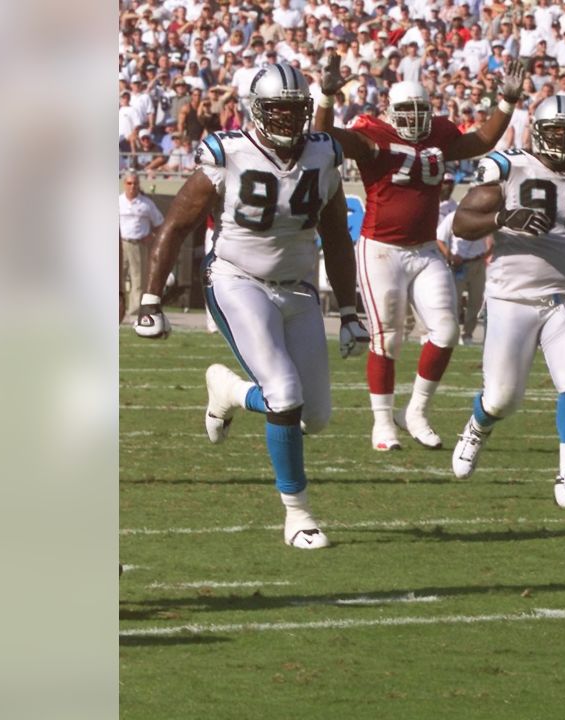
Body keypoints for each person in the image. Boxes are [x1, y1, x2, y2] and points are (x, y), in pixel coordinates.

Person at [132, 63, 369, 550]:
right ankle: (298, 515)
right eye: (276, 109)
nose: (286, 119)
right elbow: (176, 224)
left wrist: (349, 311)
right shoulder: (229, 154)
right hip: (238, 279)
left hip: (299, 288)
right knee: (284, 392)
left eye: (295, 110)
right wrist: (150, 298)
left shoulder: (323, 155)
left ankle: (231, 391)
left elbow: (335, 238)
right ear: (256, 111)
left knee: (314, 417)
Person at [312, 54, 526, 452]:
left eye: (420, 110)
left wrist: (506, 104)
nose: (413, 118)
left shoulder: (438, 136)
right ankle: (382, 423)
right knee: (387, 339)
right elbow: (323, 138)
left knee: (445, 331)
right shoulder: (373, 135)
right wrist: (325, 97)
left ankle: (417, 411)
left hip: (426, 249)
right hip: (381, 250)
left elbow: (481, 140)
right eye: (406, 111)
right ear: (390, 113)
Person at [449, 95, 565, 510]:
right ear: (538, 133)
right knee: (502, 398)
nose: (562, 143)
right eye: (555, 133)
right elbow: (461, 223)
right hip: (513, 298)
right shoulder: (509, 166)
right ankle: (478, 424)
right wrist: (503, 218)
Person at [436, 183, 491, 346]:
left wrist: (485, 255)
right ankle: (454, 332)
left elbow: (492, 238)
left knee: (476, 301)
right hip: (459, 264)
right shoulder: (454, 216)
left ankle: (468, 334)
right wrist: (449, 255)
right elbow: (440, 238)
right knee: (455, 302)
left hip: (477, 263)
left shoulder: (484, 217)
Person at [118, 171, 164, 317]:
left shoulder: (146, 204)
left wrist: (151, 236)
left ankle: (134, 311)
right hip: (119, 244)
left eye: (135, 183)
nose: (132, 186)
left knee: (138, 279)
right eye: (129, 183)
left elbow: (160, 223)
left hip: (138, 244)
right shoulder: (118, 201)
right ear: (124, 184)